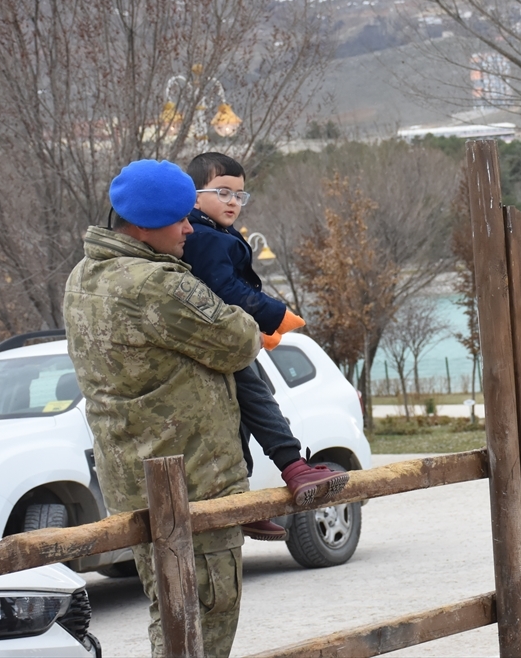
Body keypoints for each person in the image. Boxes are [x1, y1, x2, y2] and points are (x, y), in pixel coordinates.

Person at [63, 159, 260, 657]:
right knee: (203, 618)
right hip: (191, 482)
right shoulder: (158, 285)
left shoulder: (83, 276)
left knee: (170, 609)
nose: (190, 230)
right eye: (180, 219)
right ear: (146, 224)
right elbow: (240, 340)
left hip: (134, 479)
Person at [184, 153, 348, 541]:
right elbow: (226, 289)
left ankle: (238, 495)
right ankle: (293, 467)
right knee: (257, 399)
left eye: (240, 196)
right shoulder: (204, 237)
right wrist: (273, 314)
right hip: (218, 338)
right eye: (222, 191)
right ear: (193, 197)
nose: (232, 202)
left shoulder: (214, 233)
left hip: (225, 336)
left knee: (241, 412)